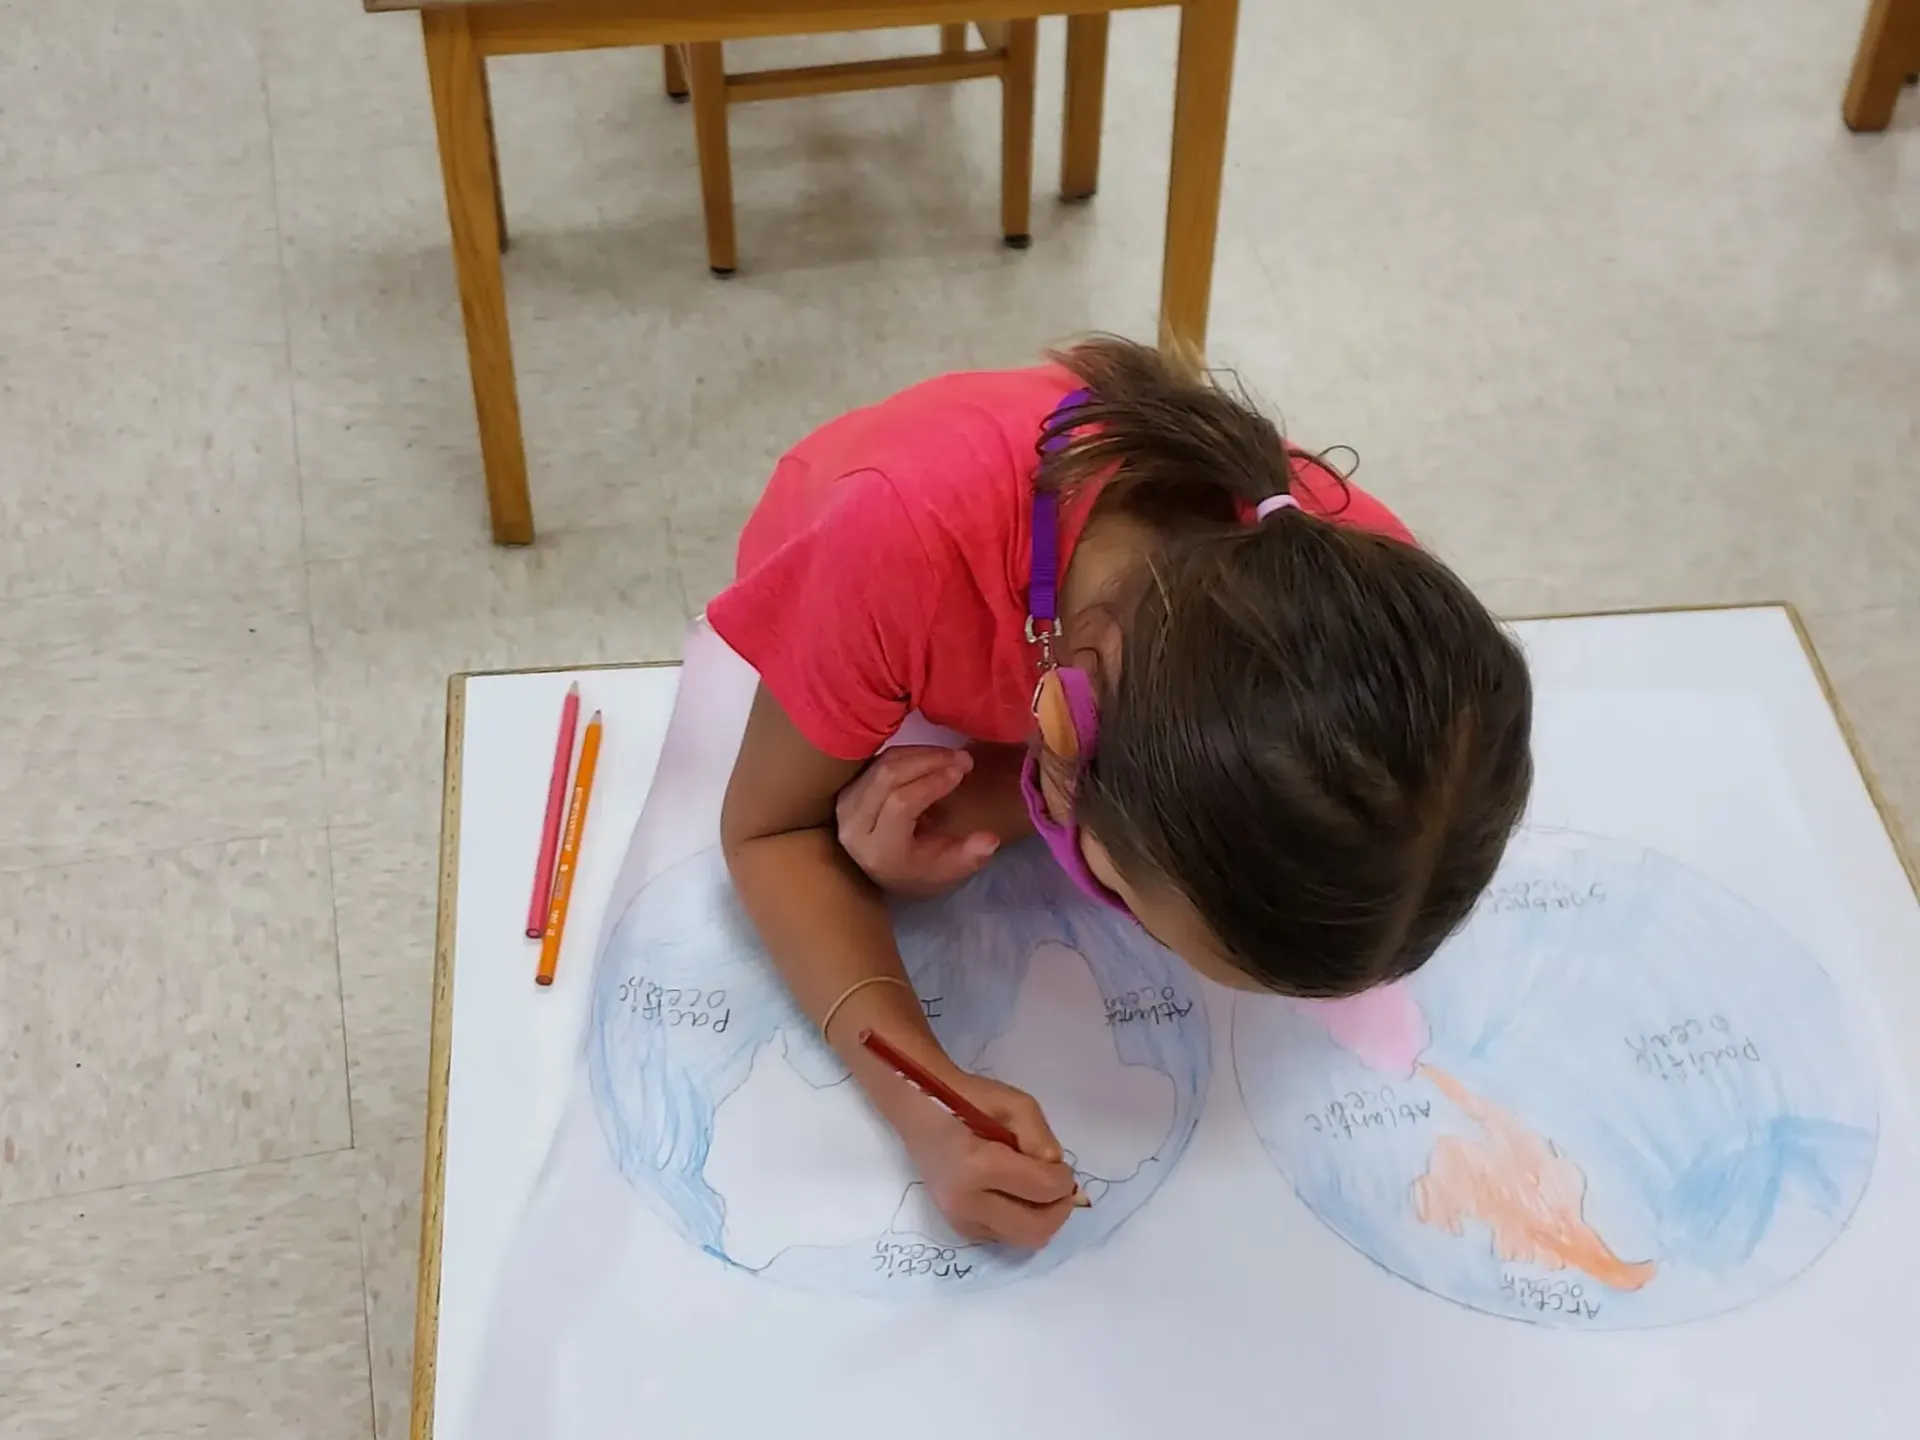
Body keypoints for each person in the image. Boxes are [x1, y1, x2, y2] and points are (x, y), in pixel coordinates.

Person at [714, 336, 1533, 1251]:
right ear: (1065, 730)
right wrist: (921, 1101)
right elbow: (767, 832)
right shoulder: (894, 548)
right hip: (845, 551)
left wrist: (991, 805)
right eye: (1125, 898)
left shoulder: (1375, 617)